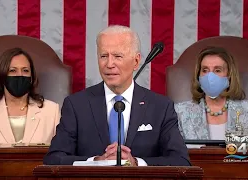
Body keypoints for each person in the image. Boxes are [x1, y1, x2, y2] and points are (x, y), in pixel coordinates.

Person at [43, 25, 190, 166]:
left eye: (118, 56)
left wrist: (137, 163)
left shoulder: (161, 107)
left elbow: (180, 160)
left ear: (136, 61)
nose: (109, 64)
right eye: (103, 56)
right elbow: (54, 159)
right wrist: (94, 162)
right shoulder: (76, 105)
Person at [175, 47, 248, 140]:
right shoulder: (180, 112)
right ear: (198, 75)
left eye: (217, 70)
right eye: (205, 70)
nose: (210, 76)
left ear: (229, 74)